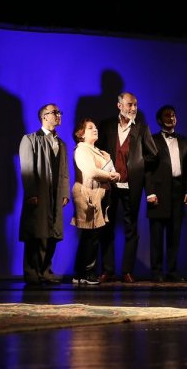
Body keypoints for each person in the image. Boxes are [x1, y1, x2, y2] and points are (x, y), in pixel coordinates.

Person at [98, 92, 158, 283]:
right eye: (129, 104)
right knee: (106, 226)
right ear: (119, 106)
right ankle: (108, 269)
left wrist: (137, 165)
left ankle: (127, 271)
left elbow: (153, 155)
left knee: (131, 228)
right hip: (109, 185)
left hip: (131, 185)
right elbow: (97, 151)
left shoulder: (141, 128)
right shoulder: (107, 125)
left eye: (135, 105)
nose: (133, 108)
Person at [18, 103, 70, 286]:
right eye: (55, 112)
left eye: (59, 112)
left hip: (56, 193)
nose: (58, 115)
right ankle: (32, 272)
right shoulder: (30, 139)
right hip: (39, 193)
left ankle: (46, 271)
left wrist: (65, 192)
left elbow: (64, 171)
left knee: (53, 233)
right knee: (36, 232)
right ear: (44, 116)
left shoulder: (61, 144)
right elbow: (27, 170)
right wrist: (31, 193)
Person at [145, 105, 187, 282]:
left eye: (173, 115)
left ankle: (172, 271)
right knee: (157, 235)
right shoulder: (152, 140)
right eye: (167, 116)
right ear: (159, 120)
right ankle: (157, 272)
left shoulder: (184, 141)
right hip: (158, 192)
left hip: (178, 191)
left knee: (174, 234)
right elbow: (147, 169)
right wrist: (150, 192)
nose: (171, 118)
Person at [70, 118, 121, 286]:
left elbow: (112, 170)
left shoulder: (101, 152)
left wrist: (114, 175)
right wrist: (110, 176)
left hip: (100, 195)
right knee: (90, 234)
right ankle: (86, 272)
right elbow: (91, 172)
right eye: (90, 128)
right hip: (87, 194)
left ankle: (81, 273)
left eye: (95, 127)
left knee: (92, 235)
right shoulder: (81, 149)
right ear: (81, 134)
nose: (95, 129)